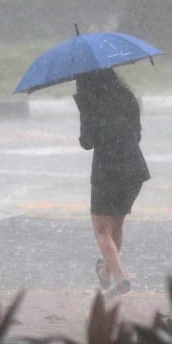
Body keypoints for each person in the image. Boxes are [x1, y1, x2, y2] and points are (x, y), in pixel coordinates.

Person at [73, 68, 150, 296]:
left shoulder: (90, 102)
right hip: (133, 167)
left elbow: (87, 142)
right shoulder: (126, 96)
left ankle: (121, 278)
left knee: (101, 229)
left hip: (107, 169)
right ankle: (106, 272)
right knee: (116, 226)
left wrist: (85, 116)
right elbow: (137, 133)